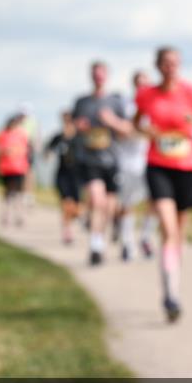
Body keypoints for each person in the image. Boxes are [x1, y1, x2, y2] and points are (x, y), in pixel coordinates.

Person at [135, 47, 192, 320]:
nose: (170, 67)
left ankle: (174, 284)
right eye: (165, 63)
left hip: (187, 166)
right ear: (157, 65)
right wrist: (147, 130)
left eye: (175, 63)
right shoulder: (146, 94)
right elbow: (137, 123)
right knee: (168, 230)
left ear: (179, 65)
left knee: (179, 234)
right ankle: (170, 294)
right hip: (158, 166)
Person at [71, 60, 133, 265]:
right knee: (97, 200)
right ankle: (96, 246)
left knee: (108, 206)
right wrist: (78, 126)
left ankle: (108, 230)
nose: (98, 77)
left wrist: (111, 122)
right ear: (91, 76)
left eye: (101, 74)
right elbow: (71, 128)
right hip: (89, 160)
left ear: (107, 76)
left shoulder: (115, 102)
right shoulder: (81, 102)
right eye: (95, 74)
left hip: (112, 160)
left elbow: (127, 130)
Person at [114, 71, 153, 262]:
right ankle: (127, 242)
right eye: (139, 84)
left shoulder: (154, 105)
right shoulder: (126, 106)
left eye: (146, 84)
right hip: (128, 162)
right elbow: (121, 132)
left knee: (153, 201)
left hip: (150, 160)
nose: (142, 88)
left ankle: (146, 238)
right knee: (127, 204)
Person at [45, 112, 80, 245]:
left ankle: (75, 219)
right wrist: (48, 154)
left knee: (76, 207)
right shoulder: (59, 137)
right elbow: (48, 150)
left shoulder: (79, 138)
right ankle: (67, 231)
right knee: (66, 203)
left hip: (77, 176)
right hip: (63, 174)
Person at [0, 114, 30, 227]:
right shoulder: (2, 135)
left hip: (19, 168)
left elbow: (25, 150)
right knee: (7, 193)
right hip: (7, 168)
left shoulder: (22, 135)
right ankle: (5, 215)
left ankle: (18, 216)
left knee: (18, 194)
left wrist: (16, 151)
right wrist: (4, 151)